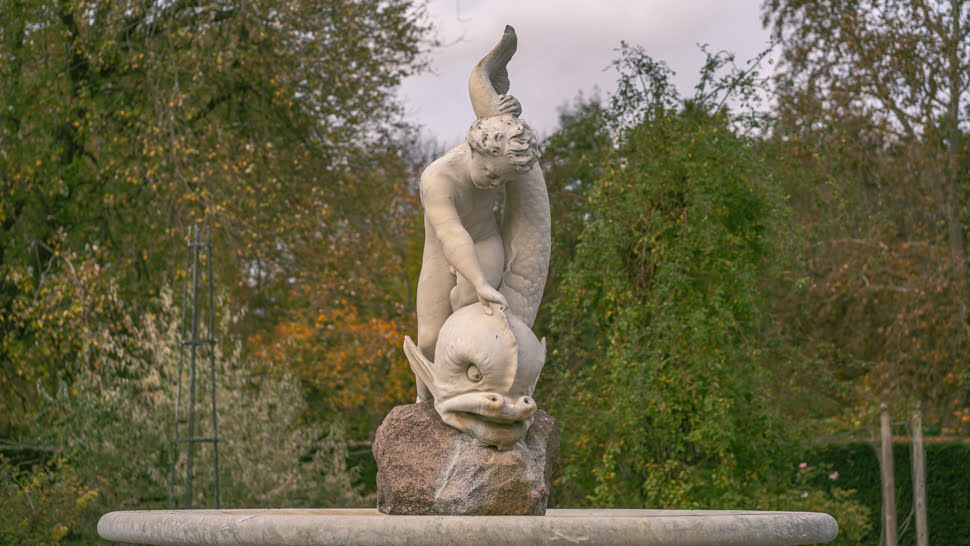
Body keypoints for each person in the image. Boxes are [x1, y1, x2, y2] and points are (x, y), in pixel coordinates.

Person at [414, 96, 541, 402]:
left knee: (472, 299)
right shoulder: (437, 178)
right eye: (492, 174)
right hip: (443, 249)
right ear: (474, 150)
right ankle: (422, 403)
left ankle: (470, 385)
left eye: (503, 180)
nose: (495, 184)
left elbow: (498, 119)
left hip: (484, 238)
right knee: (429, 338)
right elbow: (453, 235)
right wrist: (481, 282)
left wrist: (512, 114)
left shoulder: (498, 155)